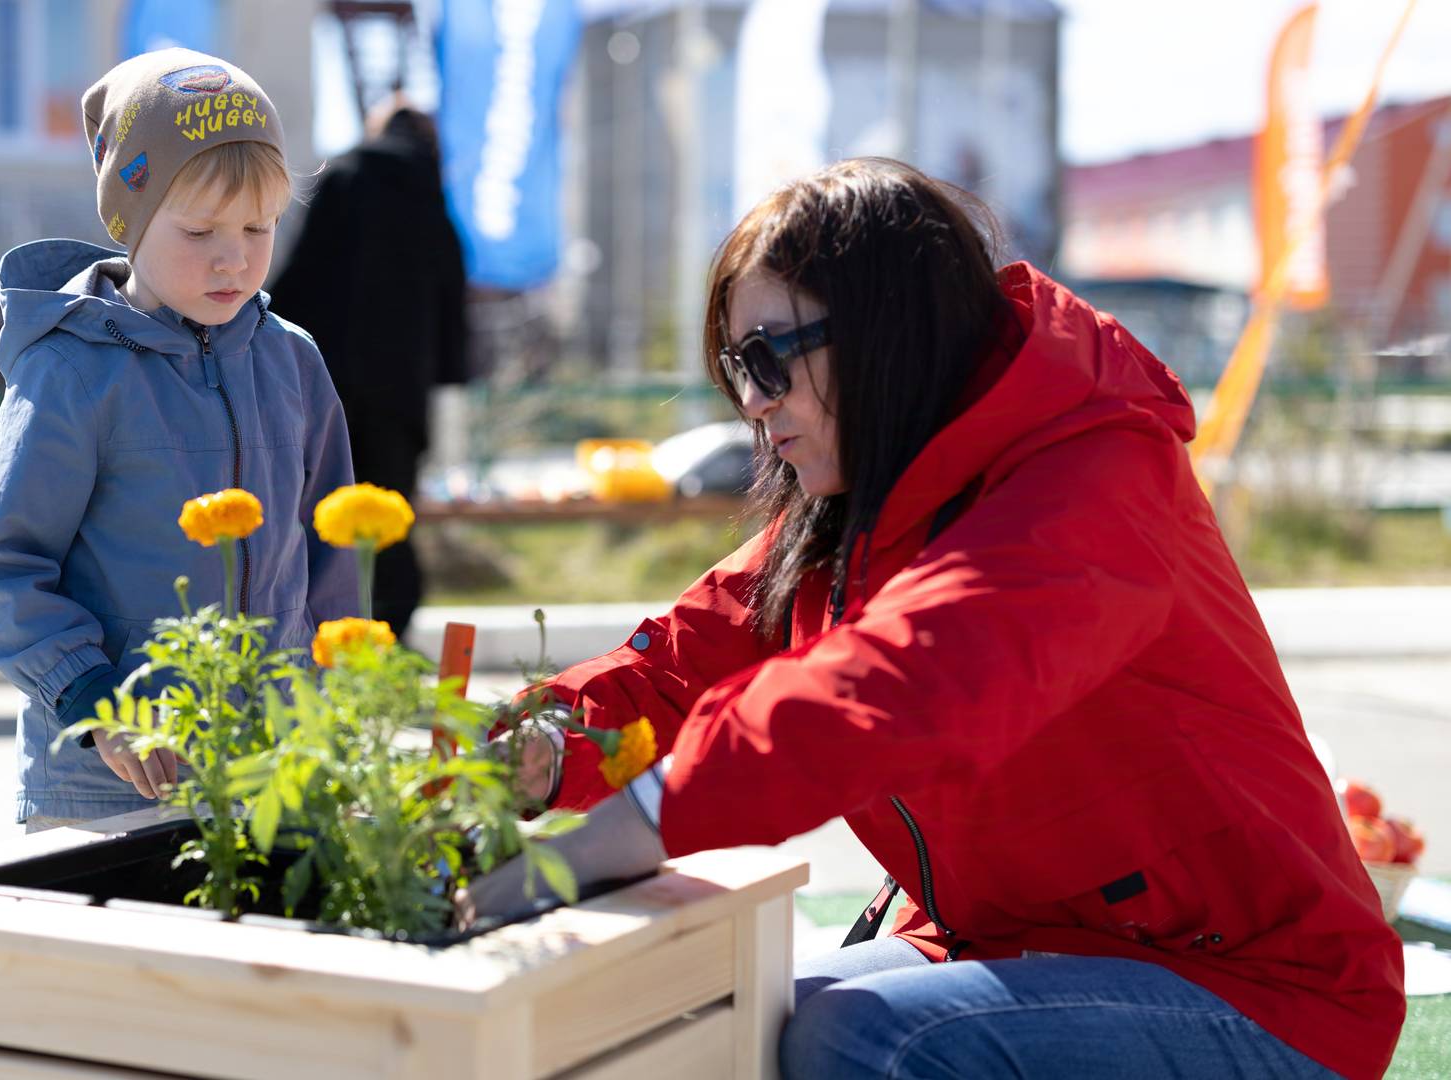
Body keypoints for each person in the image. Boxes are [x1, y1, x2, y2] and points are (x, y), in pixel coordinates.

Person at [466, 159, 1403, 1079]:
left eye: (765, 361)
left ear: (887, 332)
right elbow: (679, 663)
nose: (752, 406)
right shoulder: (856, 505)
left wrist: (638, 820)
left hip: (1260, 990)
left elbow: (905, 679)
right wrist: (522, 751)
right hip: (1021, 942)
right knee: (734, 1007)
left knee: (864, 1041)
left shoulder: (1094, 479)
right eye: (731, 370)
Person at [0, 48, 359, 832]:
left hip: (273, 771)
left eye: (259, 225)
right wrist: (95, 704)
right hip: (111, 787)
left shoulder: (293, 361)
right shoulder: (71, 371)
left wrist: (336, 706)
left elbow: (333, 561)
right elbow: (4, 568)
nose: (234, 255)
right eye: (200, 229)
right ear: (128, 220)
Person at [267, 96, 467, 636]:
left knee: (323, 506)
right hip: (402, 392)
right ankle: (388, 634)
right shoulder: (432, 198)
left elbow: (301, 271)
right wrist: (447, 372)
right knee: (390, 511)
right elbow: (452, 296)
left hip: (327, 382)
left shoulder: (346, 175)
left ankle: (325, 633)